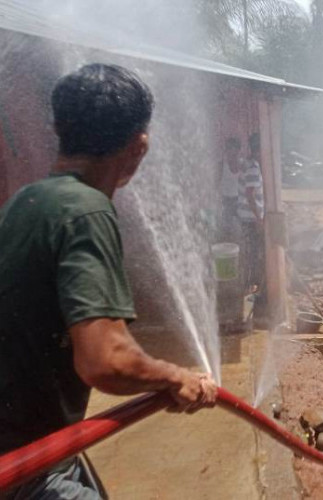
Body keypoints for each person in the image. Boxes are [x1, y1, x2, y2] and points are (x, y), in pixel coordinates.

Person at [0, 64, 217, 499]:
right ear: (139, 147)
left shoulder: (27, 199)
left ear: (60, 130)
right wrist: (176, 378)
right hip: (27, 464)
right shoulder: (88, 212)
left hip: (38, 445)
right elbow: (106, 360)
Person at [237, 133, 265, 298]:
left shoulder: (247, 164)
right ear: (259, 150)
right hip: (250, 219)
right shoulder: (253, 167)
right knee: (252, 253)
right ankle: (248, 291)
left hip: (246, 217)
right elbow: (250, 194)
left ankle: (248, 288)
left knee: (249, 253)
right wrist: (259, 219)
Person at [218, 137, 243, 241]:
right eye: (228, 149)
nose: (231, 152)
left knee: (242, 228)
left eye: (234, 149)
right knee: (226, 229)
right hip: (226, 200)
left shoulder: (243, 164)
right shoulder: (222, 165)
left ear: (238, 150)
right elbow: (216, 184)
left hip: (240, 200)